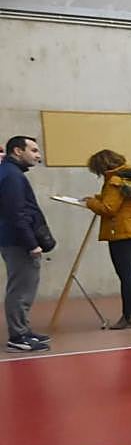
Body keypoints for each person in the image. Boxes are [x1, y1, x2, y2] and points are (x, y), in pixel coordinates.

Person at [84, 149, 131, 329]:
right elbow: (122, 201)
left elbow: (109, 209)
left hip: (121, 233)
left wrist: (89, 203)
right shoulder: (130, 176)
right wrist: (98, 198)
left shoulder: (114, 181)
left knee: (126, 275)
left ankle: (128, 315)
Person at [0, 136, 53, 352]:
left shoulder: (11, 173)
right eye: (33, 150)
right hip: (17, 241)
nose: (38, 155)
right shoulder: (12, 176)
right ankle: (18, 336)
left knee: (24, 287)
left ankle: (23, 330)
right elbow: (17, 213)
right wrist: (31, 244)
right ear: (17, 151)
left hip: (14, 239)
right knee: (21, 289)